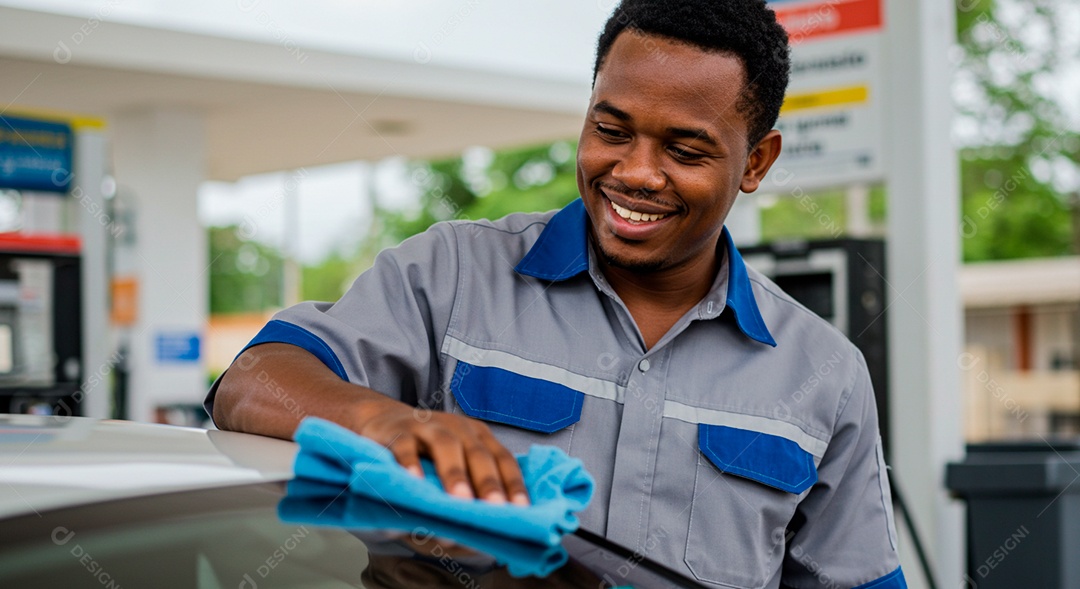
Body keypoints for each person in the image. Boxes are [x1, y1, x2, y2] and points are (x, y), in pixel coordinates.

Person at [208, 1, 907, 587]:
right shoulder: (453, 273)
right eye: (611, 129)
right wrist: (381, 422)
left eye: (684, 150)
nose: (635, 172)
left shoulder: (827, 375)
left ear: (756, 161)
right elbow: (253, 380)